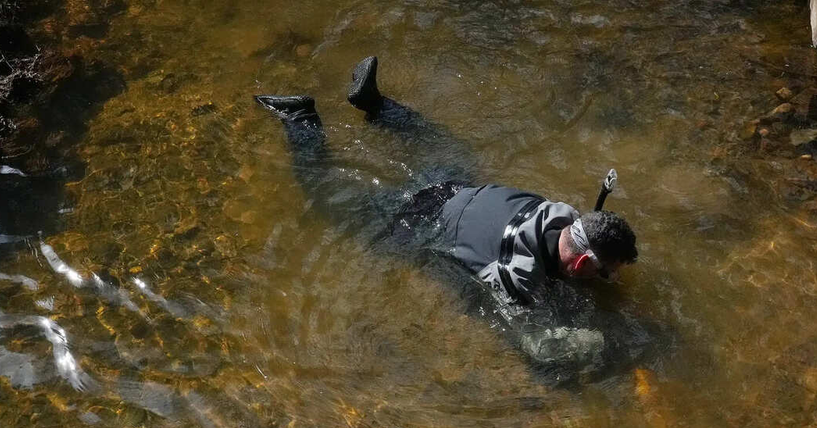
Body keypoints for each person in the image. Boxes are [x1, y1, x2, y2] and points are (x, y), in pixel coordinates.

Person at [255, 56, 638, 308]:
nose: (606, 279)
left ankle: (376, 104)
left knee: (441, 144)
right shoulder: (519, 275)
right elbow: (534, 338)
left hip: (456, 185)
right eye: (604, 272)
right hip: (419, 218)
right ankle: (299, 119)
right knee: (324, 197)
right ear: (584, 259)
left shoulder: (560, 213)